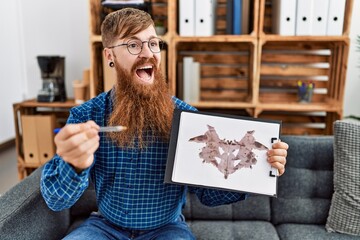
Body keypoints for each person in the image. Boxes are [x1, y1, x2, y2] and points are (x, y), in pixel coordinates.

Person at [40, 8, 288, 240]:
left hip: (167, 229)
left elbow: (208, 195)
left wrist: (257, 170)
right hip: (104, 227)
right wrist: (74, 166)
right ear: (110, 55)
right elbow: (56, 201)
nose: (148, 53)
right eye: (133, 45)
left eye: (153, 43)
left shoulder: (187, 119)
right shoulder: (86, 116)